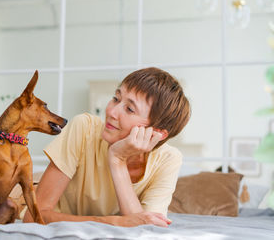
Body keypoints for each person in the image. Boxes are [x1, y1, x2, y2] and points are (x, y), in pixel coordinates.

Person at [22, 67, 191, 227]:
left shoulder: (168, 159)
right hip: (22, 196)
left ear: (156, 133)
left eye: (130, 109)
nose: (111, 111)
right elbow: (33, 217)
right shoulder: (84, 128)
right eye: (116, 98)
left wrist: (117, 159)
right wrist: (112, 222)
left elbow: (144, 228)